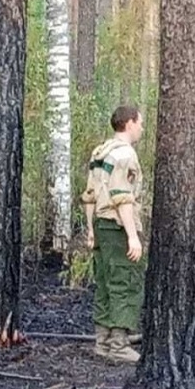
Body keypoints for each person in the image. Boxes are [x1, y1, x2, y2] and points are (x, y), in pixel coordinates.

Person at [80, 105, 146, 363]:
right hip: (117, 225)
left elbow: (89, 195)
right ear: (129, 123)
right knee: (125, 281)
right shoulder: (125, 155)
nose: (141, 128)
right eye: (139, 122)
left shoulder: (101, 152)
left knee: (105, 283)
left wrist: (90, 229)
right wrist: (132, 235)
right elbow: (122, 198)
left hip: (100, 223)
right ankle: (119, 344)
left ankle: (102, 340)